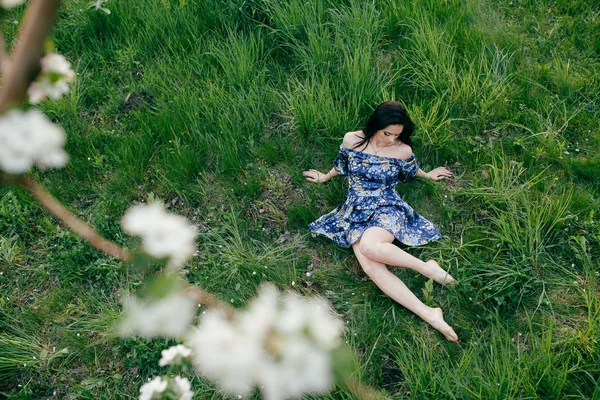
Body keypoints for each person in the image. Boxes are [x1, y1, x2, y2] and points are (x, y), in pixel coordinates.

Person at [302, 101, 458, 342]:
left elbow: (410, 171)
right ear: (376, 125)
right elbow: (341, 165)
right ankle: (430, 314)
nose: (390, 139)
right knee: (371, 266)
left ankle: (427, 268)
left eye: (396, 135)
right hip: (355, 208)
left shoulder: (402, 150)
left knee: (370, 247)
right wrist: (325, 177)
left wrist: (428, 175)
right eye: (387, 133)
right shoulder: (351, 140)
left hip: (387, 205)